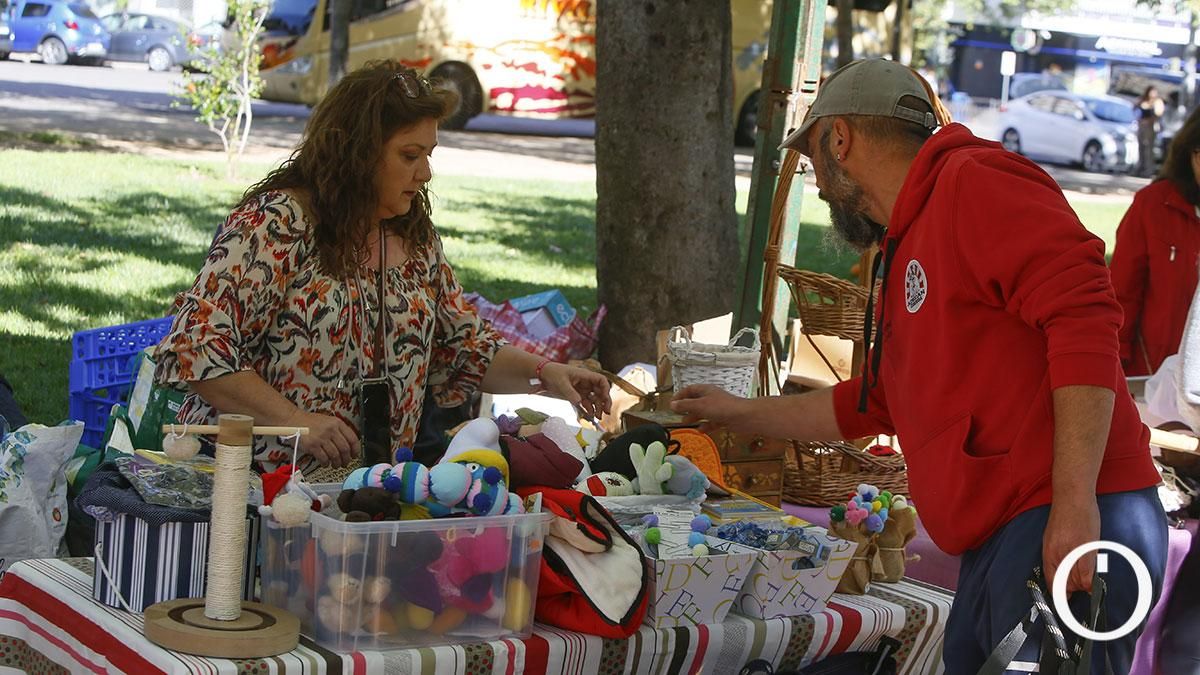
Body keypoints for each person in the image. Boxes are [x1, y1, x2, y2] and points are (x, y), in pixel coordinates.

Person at [671, 59, 1167, 674]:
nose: (820, 186)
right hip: (1012, 525)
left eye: (814, 161)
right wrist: (737, 413)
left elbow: (1086, 315)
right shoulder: (909, 231)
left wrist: (1073, 505)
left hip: (1073, 512)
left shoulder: (973, 182)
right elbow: (873, 401)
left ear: (840, 138)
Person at [154, 60, 611, 479]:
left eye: (429, 153)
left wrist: (547, 372)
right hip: (250, 490)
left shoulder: (414, 235)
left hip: (366, 495)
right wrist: (295, 423)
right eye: (409, 156)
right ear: (356, 154)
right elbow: (197, 346)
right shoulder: (277, 223)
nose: (425, 172)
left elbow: (461, 347)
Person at [1110, 108, 1200, 377]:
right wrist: (1117, 364)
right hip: (1154, 378)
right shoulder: (1152, 205)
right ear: (1188, 154)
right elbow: (1122, 292)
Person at [1135, 86, 1165, 178]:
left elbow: (1158, 115)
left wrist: (1149, 120)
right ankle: (1140, 168)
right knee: (1141, 148)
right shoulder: (1142, 100)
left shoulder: (1158, 102)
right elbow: (1134, 108)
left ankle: (1149, 170)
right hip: (1141, 126)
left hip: (1151, 127)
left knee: (1149, 149)